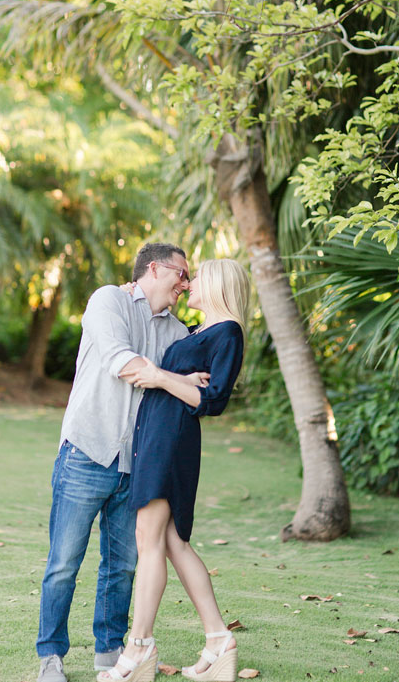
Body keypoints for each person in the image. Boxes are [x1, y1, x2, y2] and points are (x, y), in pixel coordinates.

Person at [36, 243, 201, 682]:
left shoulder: (180, 333)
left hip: (139, 466)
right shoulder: (108, 300)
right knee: (63, 563)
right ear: (154, 268)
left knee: (123, 565)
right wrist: (171, 379)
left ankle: (110, 652)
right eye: (181, 275)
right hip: (87, 453)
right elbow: (120, 362)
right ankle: (51, 657)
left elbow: (200, 390)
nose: (185, 285)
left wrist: (183, 380)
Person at [98, 258, 250, 682]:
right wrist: (168, 375)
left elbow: (214, 399)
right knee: (170, 542)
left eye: (196, 276)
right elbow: (176, 379)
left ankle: (139, 647)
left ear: (218, 284)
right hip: (156, 436)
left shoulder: (228, 332)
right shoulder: (195, 332)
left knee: (150, 537)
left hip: (172, 440)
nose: (189, 283)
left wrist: (161, 378)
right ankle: (218, 638)